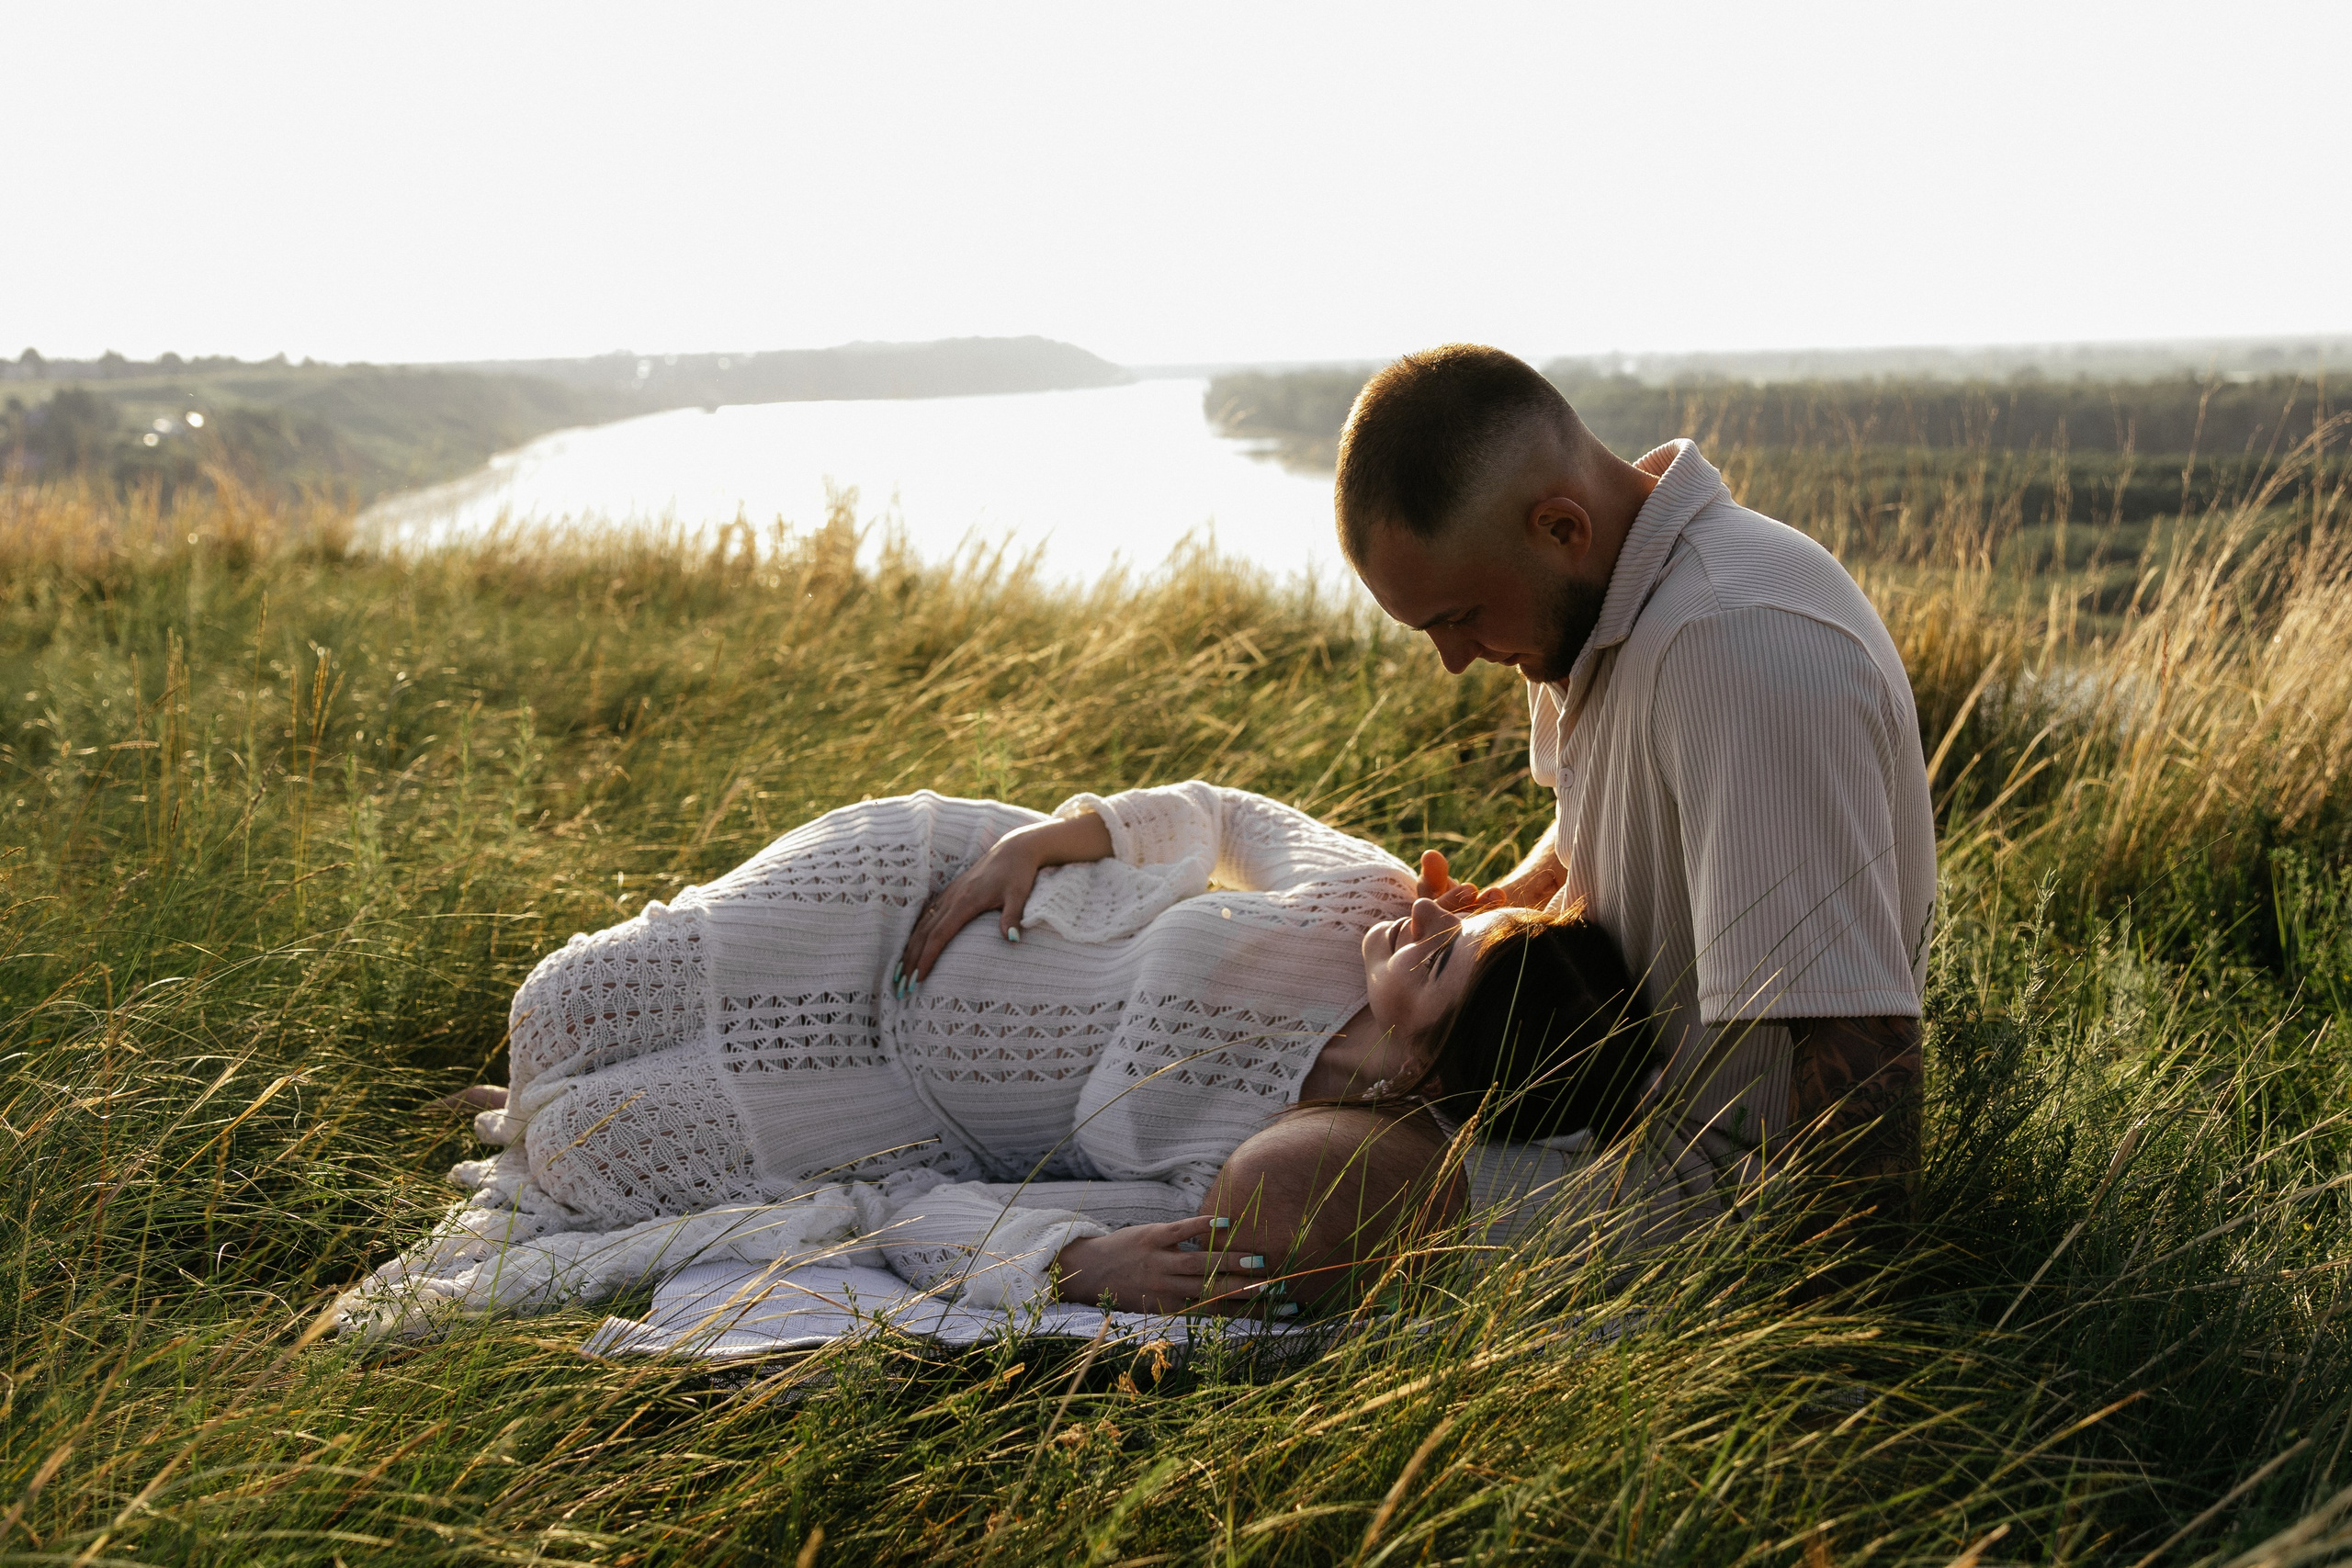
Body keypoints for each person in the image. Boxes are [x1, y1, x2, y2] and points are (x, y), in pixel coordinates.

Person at [338, 781, 1657, 1338]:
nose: (1427, 909)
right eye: (1462, 920)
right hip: (912, 898)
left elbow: (943, 1213)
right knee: (559, 1001)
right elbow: (1221, 813)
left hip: (896, 1099)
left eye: (1442, 957)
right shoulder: (1350, 895)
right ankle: (530, 1083)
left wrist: (1071, 1264)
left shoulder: (1265, 1154)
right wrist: (1056, 837)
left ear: (1429, 1073)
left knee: (586, 1155)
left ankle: (531, 1119)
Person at [1334, 344, 1937, 1257]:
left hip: (1701, 1207)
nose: (1454, 660)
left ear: (1560, 527)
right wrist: (1508, 907)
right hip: (1597, 1121)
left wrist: (1828, 1358)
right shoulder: (1591, 601)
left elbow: (1858, 1040)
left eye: (1459, 618)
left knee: (1297, 1183)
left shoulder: (1733, 650)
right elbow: (1595, 831)